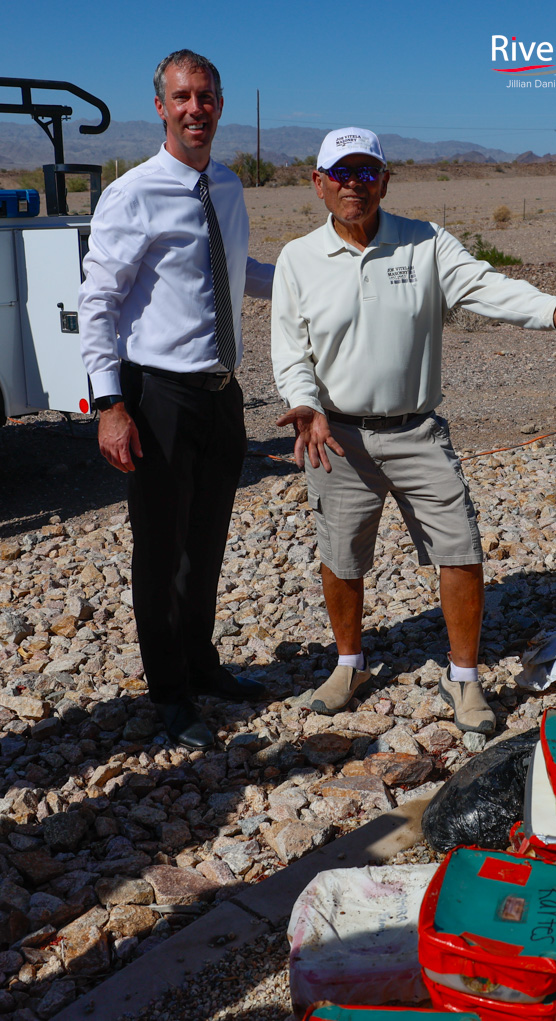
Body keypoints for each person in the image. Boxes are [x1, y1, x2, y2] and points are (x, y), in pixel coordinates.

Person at [271, 127, 556, 734]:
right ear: (318, 183)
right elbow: (290, 350)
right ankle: (349, 664)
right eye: (342, 173)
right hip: (337, 436)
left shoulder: (425, 242)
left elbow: (485, 285)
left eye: (367, 172)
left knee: (460, 550)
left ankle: (463, 676)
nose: (355, 185)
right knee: (341, 556)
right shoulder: (298, 259)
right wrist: (304, 403)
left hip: (417, 431)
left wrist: (549, 311)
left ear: (385, 181)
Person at [79, 50, 274, 749]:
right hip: (157, 396)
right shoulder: (133, 193)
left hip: (222, 394)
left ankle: (201, 663)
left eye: (206, 96)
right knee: (160, 551)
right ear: (161, 107)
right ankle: (169, 693)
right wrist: (109, 404)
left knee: (207, 541)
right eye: (182, 97)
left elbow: (237, 271)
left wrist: (315, 280)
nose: (196, 108)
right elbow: (98, 302)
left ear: (220, 103)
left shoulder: (226, 184)